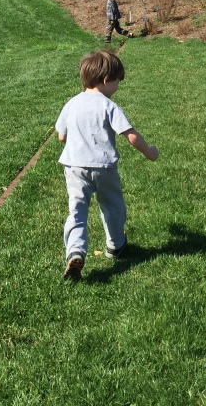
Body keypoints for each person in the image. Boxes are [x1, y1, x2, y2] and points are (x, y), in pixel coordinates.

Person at [54, 49, 159, 281]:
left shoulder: (71, 104)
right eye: (117, 82)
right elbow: (130, 135)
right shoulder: (108, 106)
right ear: (105, 81)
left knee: (77, 211)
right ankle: (115, 245)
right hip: (103, 168)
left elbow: (61, 136)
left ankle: (75, 251)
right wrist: (149, 152)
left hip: (74, 167)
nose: (118, 87)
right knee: (112, 206)